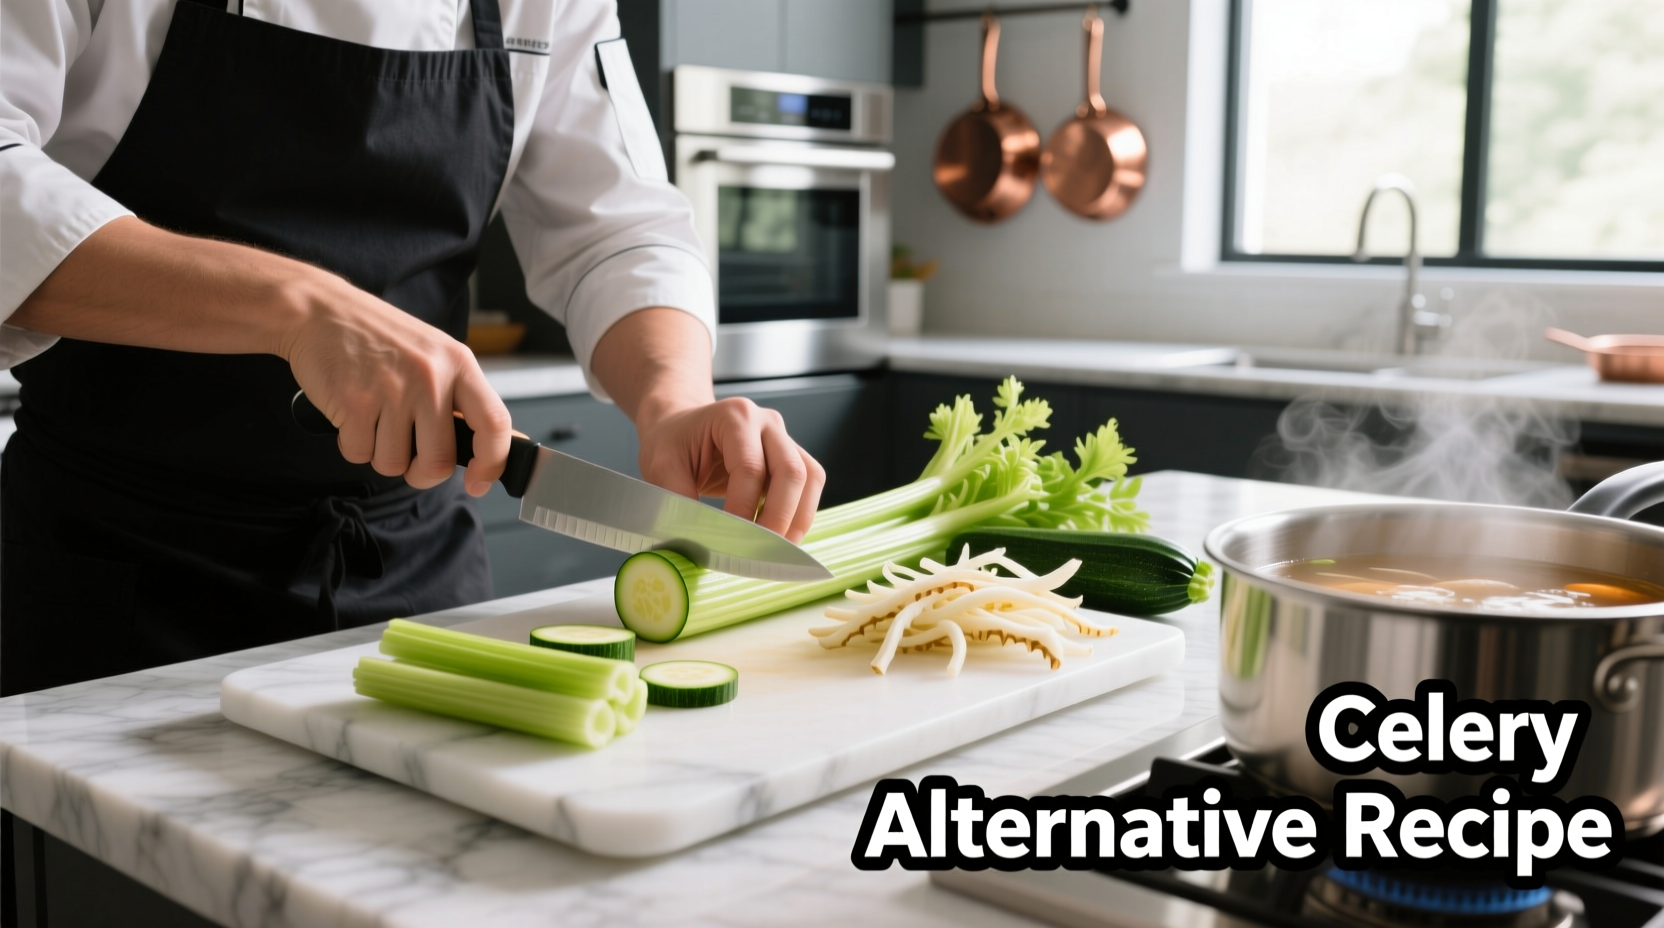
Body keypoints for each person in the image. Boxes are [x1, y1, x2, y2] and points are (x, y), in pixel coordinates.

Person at [0, 0, 826, 697]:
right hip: (113, 589)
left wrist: (671, 397)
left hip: (417, 590)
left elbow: (618, 232)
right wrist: (302, 306)